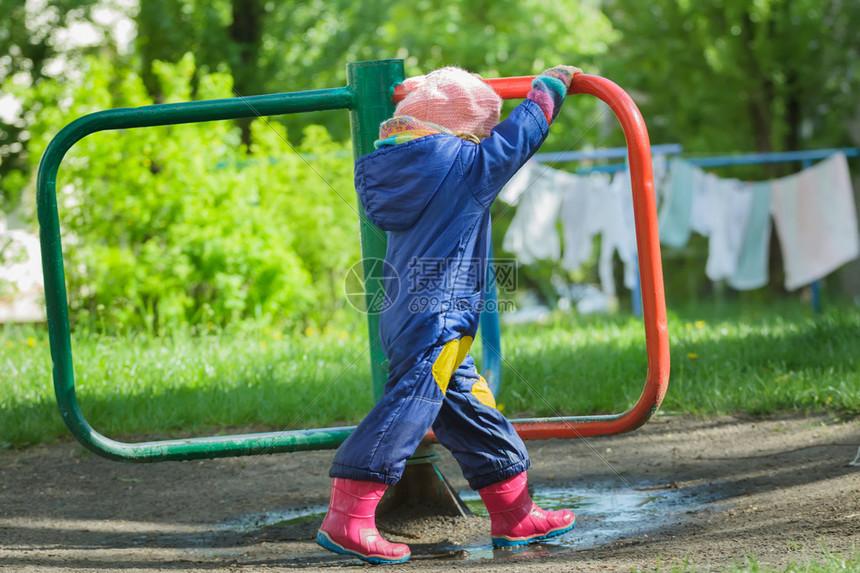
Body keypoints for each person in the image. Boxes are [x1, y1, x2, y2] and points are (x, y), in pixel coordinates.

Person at [317, 64, 582, 564]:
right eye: (483, 128)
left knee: (472, 412)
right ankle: (347, 519)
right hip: (437, 319)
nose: (486, 138)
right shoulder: (466, 165)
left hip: (410, 317)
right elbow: (521, 136)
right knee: (407, 411)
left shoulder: (398, 170)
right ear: (464, 128)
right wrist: (549, 88)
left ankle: (515, 513)